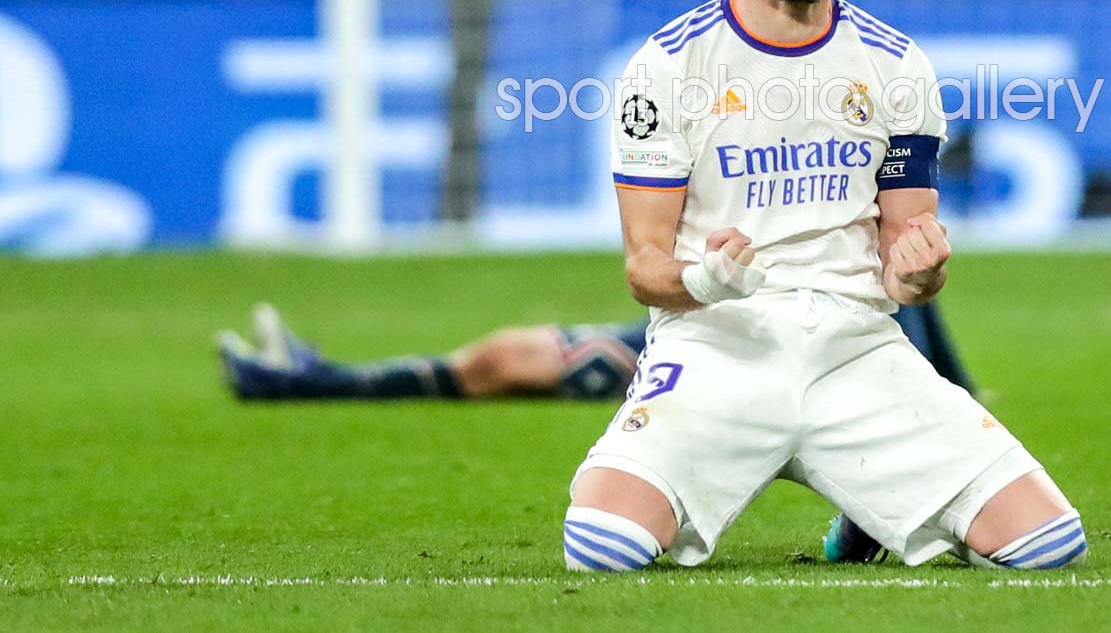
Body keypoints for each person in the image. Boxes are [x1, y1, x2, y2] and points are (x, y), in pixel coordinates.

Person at [563, 0, 1085, 574]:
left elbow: (905, 261)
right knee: (601, 546)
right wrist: (705, 283)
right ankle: (640, 462)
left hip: (855, 350)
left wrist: (922, 272)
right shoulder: (668, 66)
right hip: (717, 346)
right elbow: (645, 266)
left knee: (1047, 545)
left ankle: (865, 514)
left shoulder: (896, 64)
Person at [216, 297, 975, 403]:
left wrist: (952, 388)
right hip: (699, 325)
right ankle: (314, 378)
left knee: (505, 361)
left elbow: (907, 278)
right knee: (501, 357)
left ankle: (308, 381)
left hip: (747, 363)